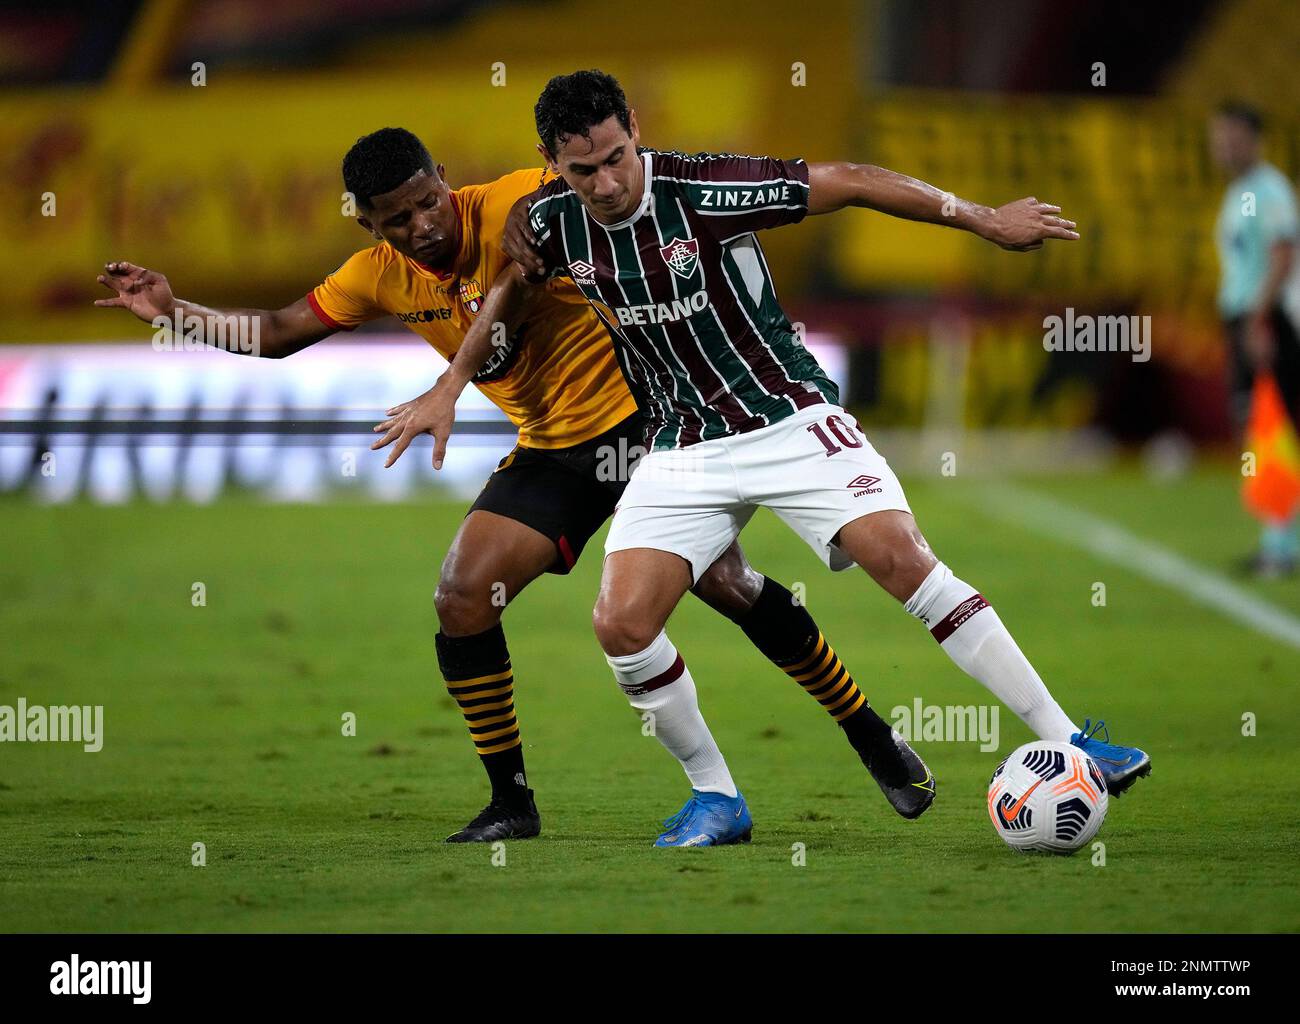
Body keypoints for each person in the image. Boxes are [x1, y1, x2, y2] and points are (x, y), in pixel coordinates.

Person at [97, 127, 933, 849]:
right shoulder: (376, 275)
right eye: (396, 218)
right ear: (367, 223)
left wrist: (457, 377)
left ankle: (869, 735)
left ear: (443, 182)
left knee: (724, 583)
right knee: (462, 595)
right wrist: (177, 311)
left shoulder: (519, 200)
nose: (422, 226)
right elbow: (279, 333)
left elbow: (579, 208)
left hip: (655, 417)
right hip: (556, 449)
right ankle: (512, 803)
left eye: (428, 202)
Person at [380, 70, 1151, 847]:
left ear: (635, 128)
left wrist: (981, 218)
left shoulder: (705, 187)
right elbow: (511, 284)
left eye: (617, 156)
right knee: (622, 624)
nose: (607, 182)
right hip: (681, 444)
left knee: (902, 560)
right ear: (551, 161)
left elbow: (850, 180)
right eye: (584, 170)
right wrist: (451, 383)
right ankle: (718, 798)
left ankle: (1073, 740)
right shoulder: (546, 220)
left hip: (785, 416)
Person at [1209, 100, 1300, 577]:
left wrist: (1259, 318)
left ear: (1252, 138)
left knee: (1273, 425)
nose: (1222, 145)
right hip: (1248, 317)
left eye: (1231, 135)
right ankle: (1278, 539)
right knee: (1260, 426)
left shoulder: (1269, 189)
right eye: (1217, 136)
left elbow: (1283, 254)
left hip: (1266, 319)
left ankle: (1282, 545)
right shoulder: (1241, 191)